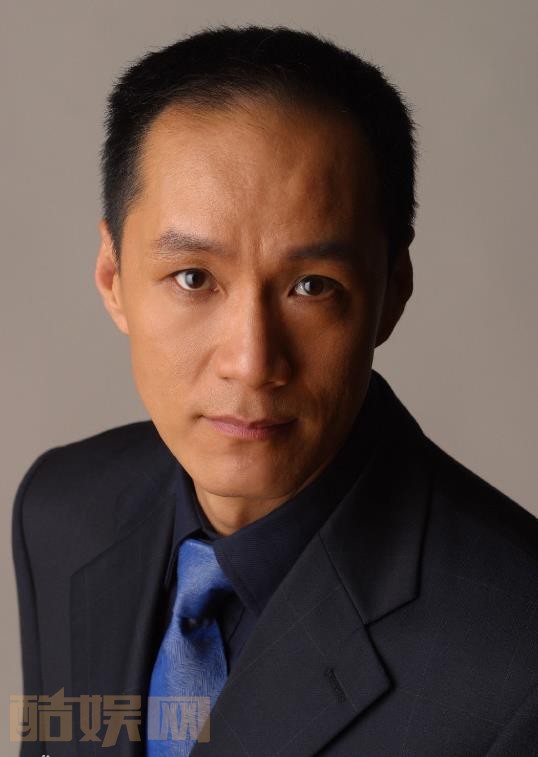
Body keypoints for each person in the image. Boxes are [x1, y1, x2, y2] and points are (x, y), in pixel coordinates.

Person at [12, 24, 538, 757]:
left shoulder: (517, 660)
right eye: (193, 277)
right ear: (112, 277)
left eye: (312, 286)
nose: (252, 362)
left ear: (393, 291)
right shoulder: (61, 511)